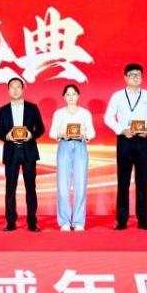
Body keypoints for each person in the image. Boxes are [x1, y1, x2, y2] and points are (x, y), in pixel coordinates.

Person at [104, 63, 147, 230]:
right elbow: (108, 117)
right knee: (123, 182)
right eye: (131, 75)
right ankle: (121, 221)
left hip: (142, 141)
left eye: (138, 75)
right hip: (124, 140)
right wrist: (121, 129)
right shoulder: (117, 96)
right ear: (125, 78)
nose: (135, 78)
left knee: (142, 182)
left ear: (141, 77)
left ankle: (143, 221)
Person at [0, 77, 46, 231]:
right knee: (10, 188)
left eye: (18, 87)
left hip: (28, 151)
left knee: (31, 187)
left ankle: (32, 222)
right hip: (11, 151)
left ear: (23, 89)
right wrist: (6, 137)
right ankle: (10, 222)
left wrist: (31, 135)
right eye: (12, 87)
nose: (15, 90)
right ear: (8, 90)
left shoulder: (32, 108)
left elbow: (41, 128)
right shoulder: (3, 110)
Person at [49, 83, 96, 231]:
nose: (71, 97)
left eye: (73, 94)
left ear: (78, 96)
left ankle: (78, 221)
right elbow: (52, 132)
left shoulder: (85, 113)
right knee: (63, 185)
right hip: (64, 146)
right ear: (63, 97)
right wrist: (61, 134)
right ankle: (64, 221)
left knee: (80, 184)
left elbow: (92, 132)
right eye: (68, 94)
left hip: (80, 146)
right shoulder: (59, 113)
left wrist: (85, 135)